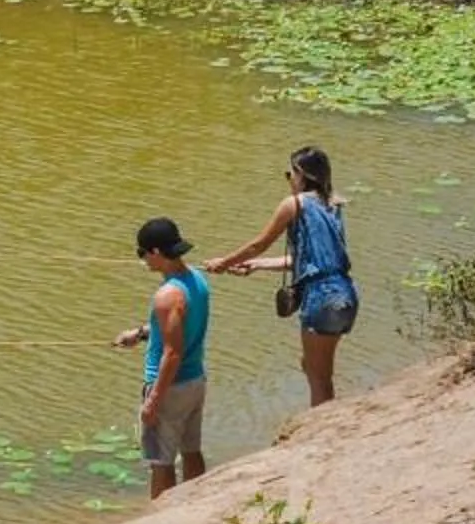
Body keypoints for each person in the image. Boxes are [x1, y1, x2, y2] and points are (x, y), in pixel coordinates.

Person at [208, 146, 357, 407]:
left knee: (318, 376)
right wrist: (257, 266)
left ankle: (320, 431)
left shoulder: (294, 204)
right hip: (346, 293)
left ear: (302, 175)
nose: (289, 179)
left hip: (321, 297)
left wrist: (224, 262)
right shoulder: (332, 204)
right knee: (316, 369)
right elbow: (310, 261)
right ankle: (326, 419)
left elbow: (259, 243)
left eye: (290, 173)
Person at [113, 217, 211, 501]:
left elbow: (172, 352)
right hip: (195, 382)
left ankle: (159, 519)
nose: (142, 259)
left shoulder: (167, 296)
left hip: (170, 387)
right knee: (191, 450)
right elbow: (177, 327)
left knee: (160, 461)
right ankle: (200, 503)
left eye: (142, 253)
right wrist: (142, 333)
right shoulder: (196, 280)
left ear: (155, 252)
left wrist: (153, 400)